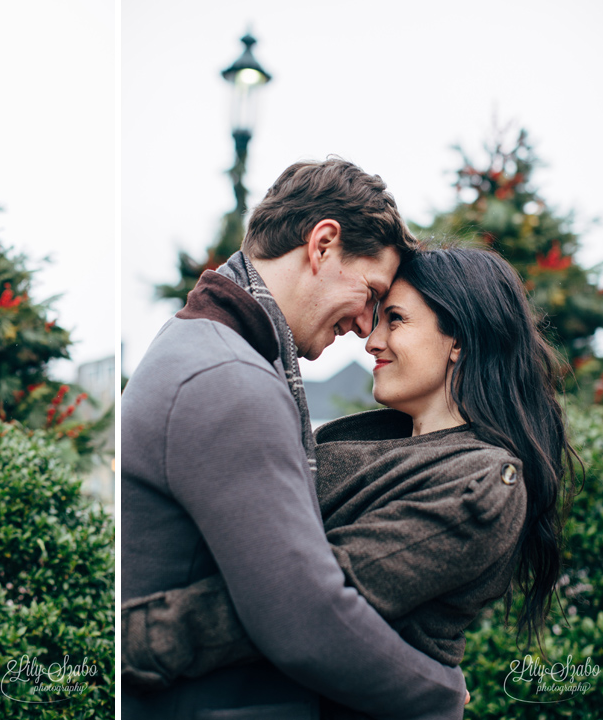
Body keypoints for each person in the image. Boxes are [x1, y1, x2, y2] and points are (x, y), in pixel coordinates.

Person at [122, 246, 577, 717]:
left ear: (458, 338)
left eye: (395, 319)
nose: (371, 340)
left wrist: (138, 639)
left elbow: (299, 603)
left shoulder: (480, 484)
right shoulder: (358, 436)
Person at [121, 158, 469, 720]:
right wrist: (442, 693)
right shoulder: (229, 380)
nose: (364, 327)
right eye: (372, 291)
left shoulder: (201, 347)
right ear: (323, 244)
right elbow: (303, 618)